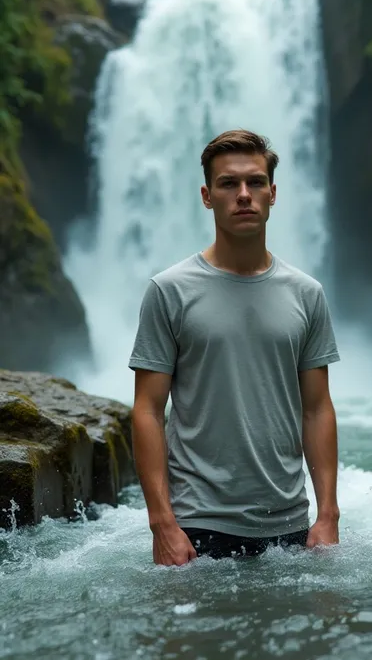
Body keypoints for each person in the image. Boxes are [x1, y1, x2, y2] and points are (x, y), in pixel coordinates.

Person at [129, 129, 341, 566]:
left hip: (290, 524)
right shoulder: (169, 291)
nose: (243, 195)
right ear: (207, 196)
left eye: (255, 182)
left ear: (273, 193)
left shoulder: (307, 293)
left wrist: (328, 514)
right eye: (228, 184)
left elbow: (317, 408)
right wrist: (162, 524)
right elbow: (148, 410)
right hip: (197, 526)